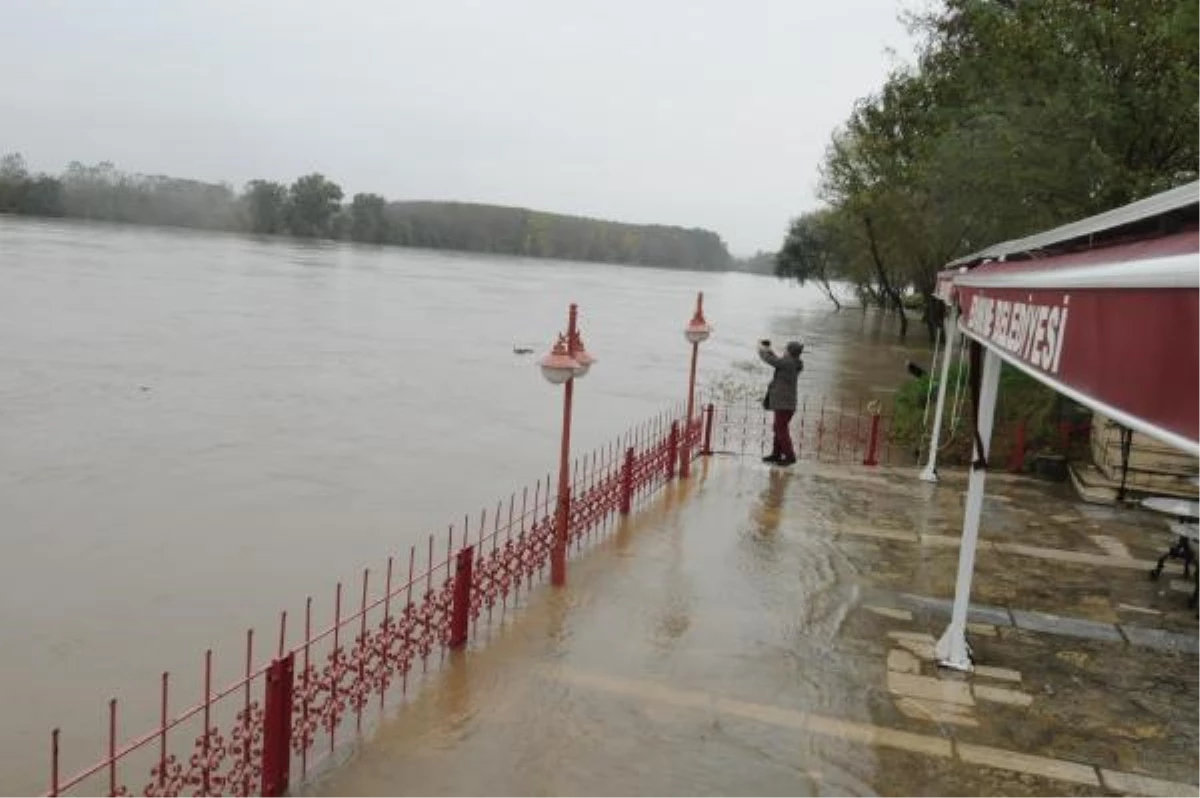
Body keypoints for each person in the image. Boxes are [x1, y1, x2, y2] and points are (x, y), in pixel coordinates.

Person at [758, 339, 804, 465]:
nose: (784, 351)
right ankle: (776, 454)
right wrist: (770, 350)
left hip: (784, 404)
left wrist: (762, 350)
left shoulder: (788, 363)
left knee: (781, 429)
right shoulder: (792, 362)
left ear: (790, 352)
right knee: (778, 428)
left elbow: (771, 360)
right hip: (786, 404)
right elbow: (778, 360)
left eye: (786, 349)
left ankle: (790, 456)